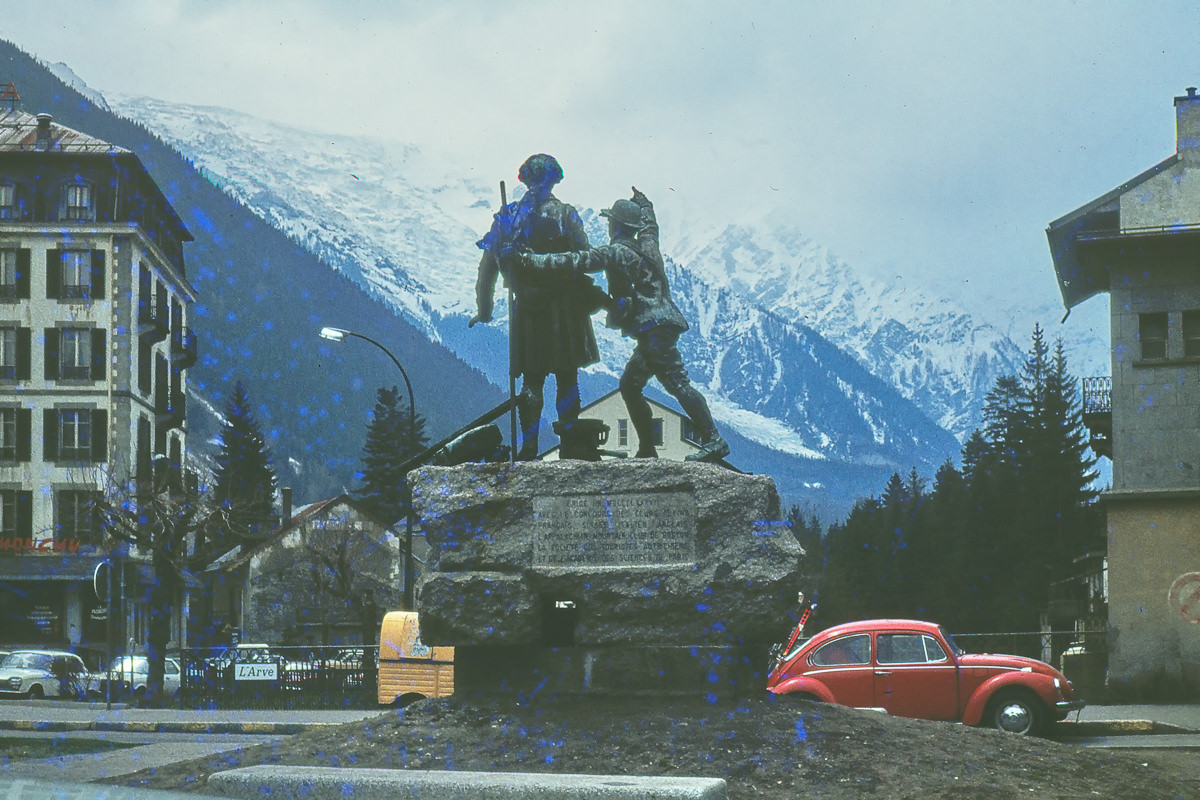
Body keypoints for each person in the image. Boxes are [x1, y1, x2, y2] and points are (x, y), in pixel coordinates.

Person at [517, 187, 730, 462]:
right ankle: (647, 448)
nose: (608, 225)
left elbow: (577, 260)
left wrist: (531, 260)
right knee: (630, 386)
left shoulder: (617, 252)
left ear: (616, 225)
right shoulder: (648, 245)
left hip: (653, 328)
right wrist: (645, 204)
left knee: (677, 383)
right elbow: (650, 226)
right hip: (662, 325)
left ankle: (713, 438)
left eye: (610, 222)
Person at [472, 154, 604, 460]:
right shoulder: (566, 215)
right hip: (566, 308)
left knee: (532, 380)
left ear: (526, 179)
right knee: (567, 377)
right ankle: (570, 444)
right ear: (553, 179)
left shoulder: (508, 217)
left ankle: (529, 446)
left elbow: (487, 267)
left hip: (528, 310)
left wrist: (485, 308)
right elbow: (585, 258)